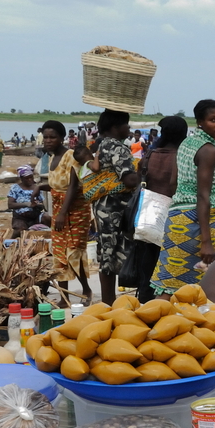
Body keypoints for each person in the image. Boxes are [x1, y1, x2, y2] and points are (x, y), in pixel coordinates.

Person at [151, 99, 215, 297]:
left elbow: (172, 184)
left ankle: (160, 319)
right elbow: (203, 196)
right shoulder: (208, 150)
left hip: (178, 219)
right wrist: (206, 241)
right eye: (213, 120)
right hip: (199, 222)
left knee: (171, 281)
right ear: (200, 122)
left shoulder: (187, 143)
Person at [78, 111, 140, 301]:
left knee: (106, 250)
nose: (128, 129)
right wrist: (144, 173)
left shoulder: (101, 145)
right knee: (113, 251)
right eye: (126, 125)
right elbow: (129, 179)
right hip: (115, 208)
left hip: (102, 207)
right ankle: (110, 302)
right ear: (115, 127)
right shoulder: (117, 147)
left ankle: (108, 302)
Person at [131, 115, 187, 303]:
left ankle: (146, 296)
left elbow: (140, 178)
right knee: (171, 258)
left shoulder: (150, 155)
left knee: (148, 256)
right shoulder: (181, 158)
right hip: (174, 215)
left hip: (149, 214)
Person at [41, 120, 94, 303]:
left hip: (76, 210)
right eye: (46, 137)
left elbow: (72, 187)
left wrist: (63, 214)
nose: (48, 140)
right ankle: (64, 297)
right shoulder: (49, 157)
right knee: (60, 253)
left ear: (62, 138)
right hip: (58, 210)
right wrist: (37, 187)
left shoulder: (70, 155)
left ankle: (86, 290)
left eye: (52, 137)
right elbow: (56, 185)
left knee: (74, 252)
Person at [7, 165, 51, 238]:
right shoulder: (15, 188)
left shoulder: (36, 188)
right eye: (27, 178)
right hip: (20, 217)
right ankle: (11, 242)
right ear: (21, 178)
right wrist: (27, 204)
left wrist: (38, 205)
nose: (30, 180)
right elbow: (10, 205)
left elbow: (42, 205)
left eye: (31, 177)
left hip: (35, 216)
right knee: (19, 231)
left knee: (47, 217)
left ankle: (49, 237)